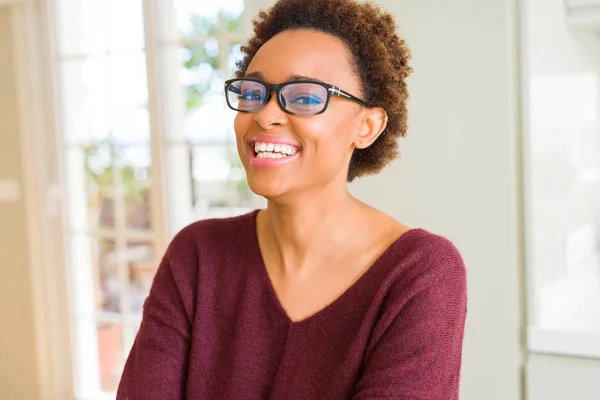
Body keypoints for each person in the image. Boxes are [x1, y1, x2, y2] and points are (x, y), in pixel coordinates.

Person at [117, 0, 467, 398]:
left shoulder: (419, 272)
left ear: (367, 126)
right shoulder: (196, 255)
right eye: (252, 93)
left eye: (304, 98)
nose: (265, 116)